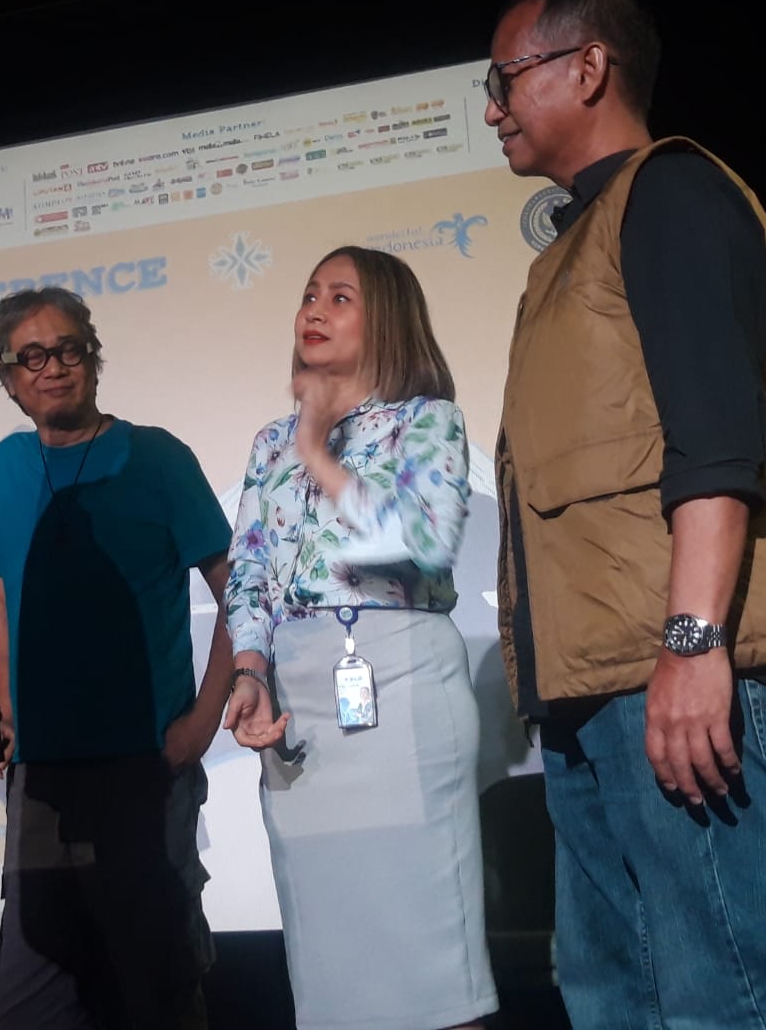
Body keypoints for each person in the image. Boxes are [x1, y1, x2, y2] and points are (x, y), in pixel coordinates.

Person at [485, 0, 766, 1028]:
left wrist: (694, 645)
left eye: (505, 77)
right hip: (596, 691)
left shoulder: (670, 194)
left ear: (587, 68)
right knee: (617, 999)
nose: (492, 108)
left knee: (731, 1001)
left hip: (674, 674)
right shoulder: (570, 247)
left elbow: (716, 442)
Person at [224, 247, 496, 1030]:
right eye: (309, 293)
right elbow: (249, 568)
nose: (313, 308)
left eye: (339, 297)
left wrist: (318, 451)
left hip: (403, 685)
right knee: (332, 963)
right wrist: (249, 671)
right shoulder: (269, 442)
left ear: (386, 319)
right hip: (299, 705)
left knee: (431, 957)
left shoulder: (426, 421)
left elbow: (421, 540)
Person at [0, 288, 234, 1028]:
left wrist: (201, 723)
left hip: (142, 770)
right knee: (31, 1004)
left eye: (67, 349)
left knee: (155, 991)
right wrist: (2, 709)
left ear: (92, 358)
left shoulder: (156, 458)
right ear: (8, 377)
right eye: (31, 356)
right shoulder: (5, 465)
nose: (52, 367)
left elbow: (240, 594)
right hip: (39, 776)